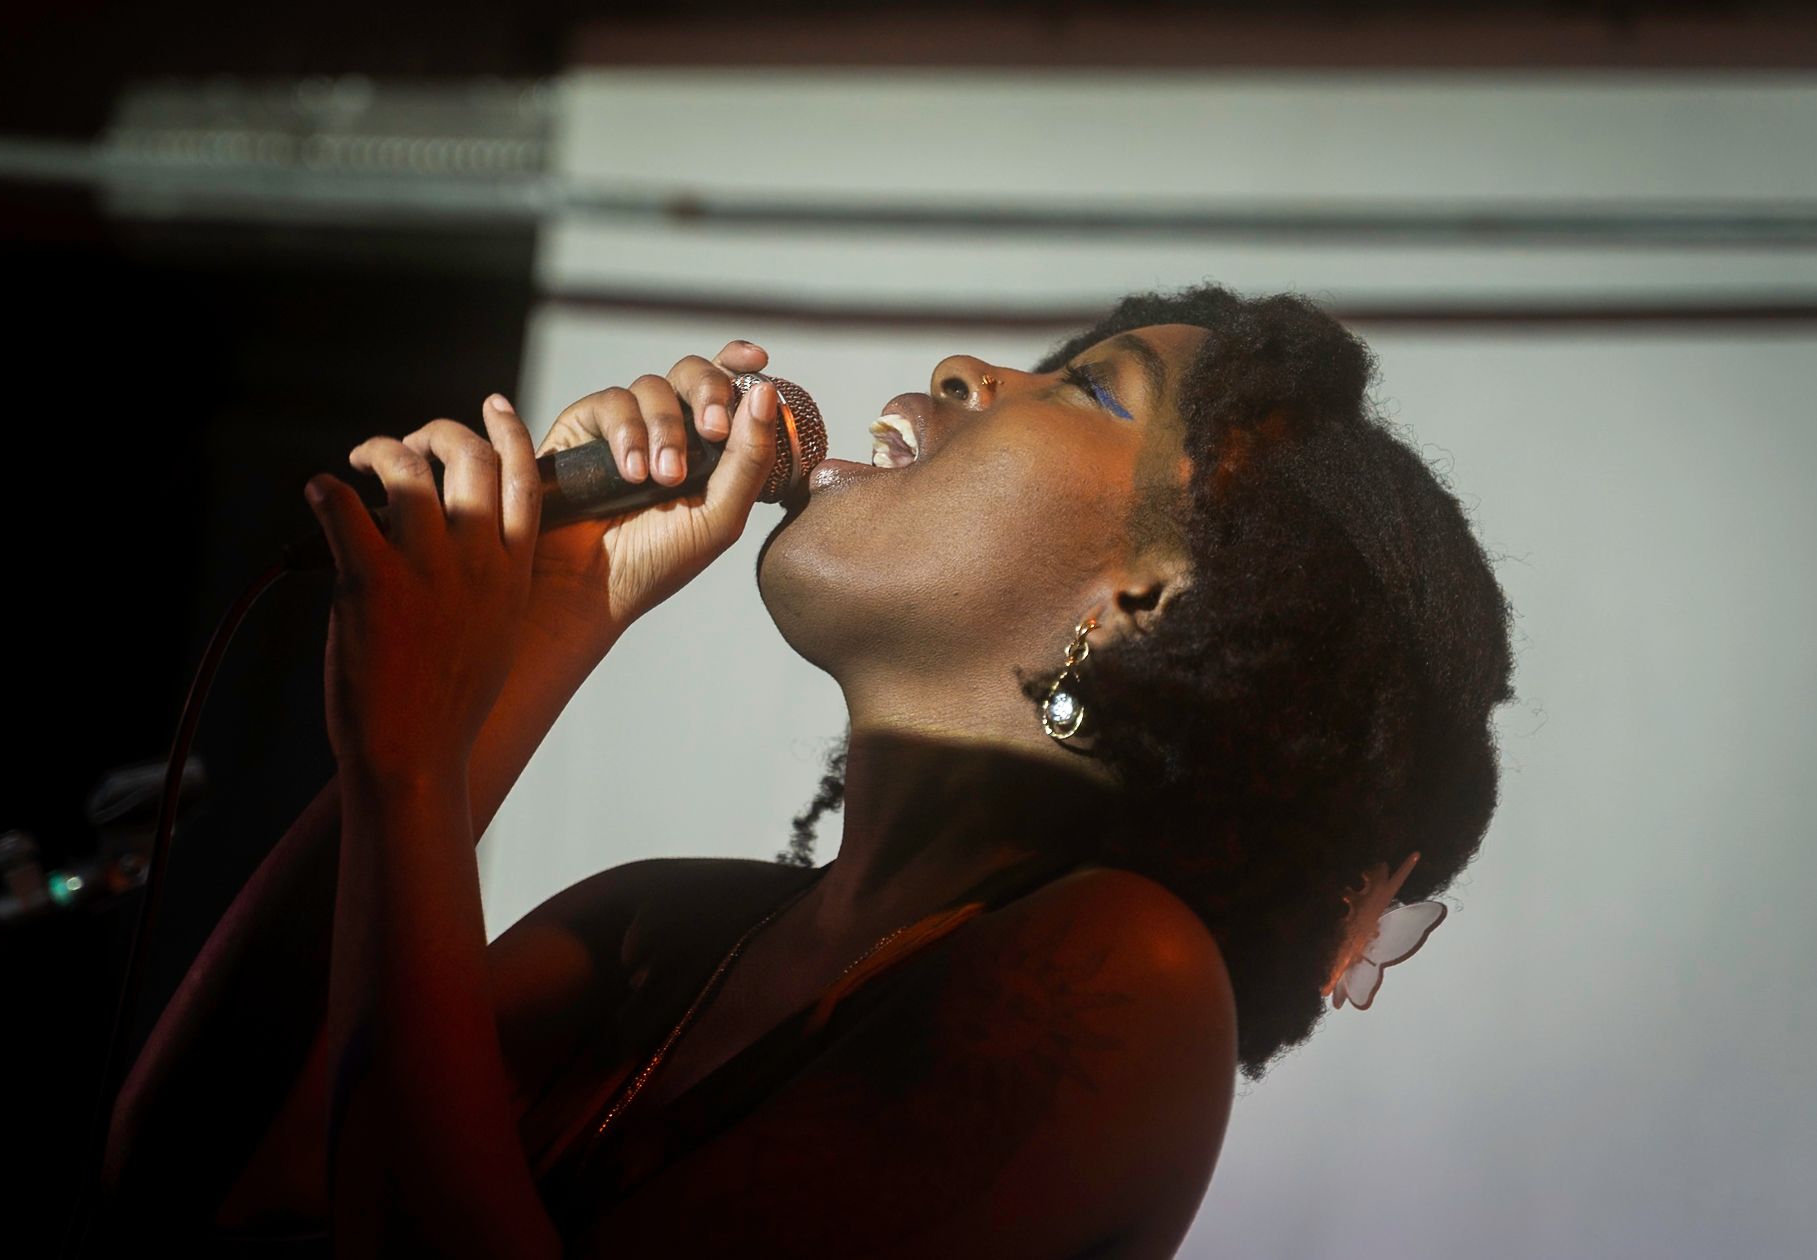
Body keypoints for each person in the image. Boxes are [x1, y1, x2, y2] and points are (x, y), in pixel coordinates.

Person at [98, 283, 1516, 1258]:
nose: (971, 372)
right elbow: (186, 1183)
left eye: (1092, 387)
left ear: (1147, 600)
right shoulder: (665, 927)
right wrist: (545, 622)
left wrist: (415, 768)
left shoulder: (1128, 980)